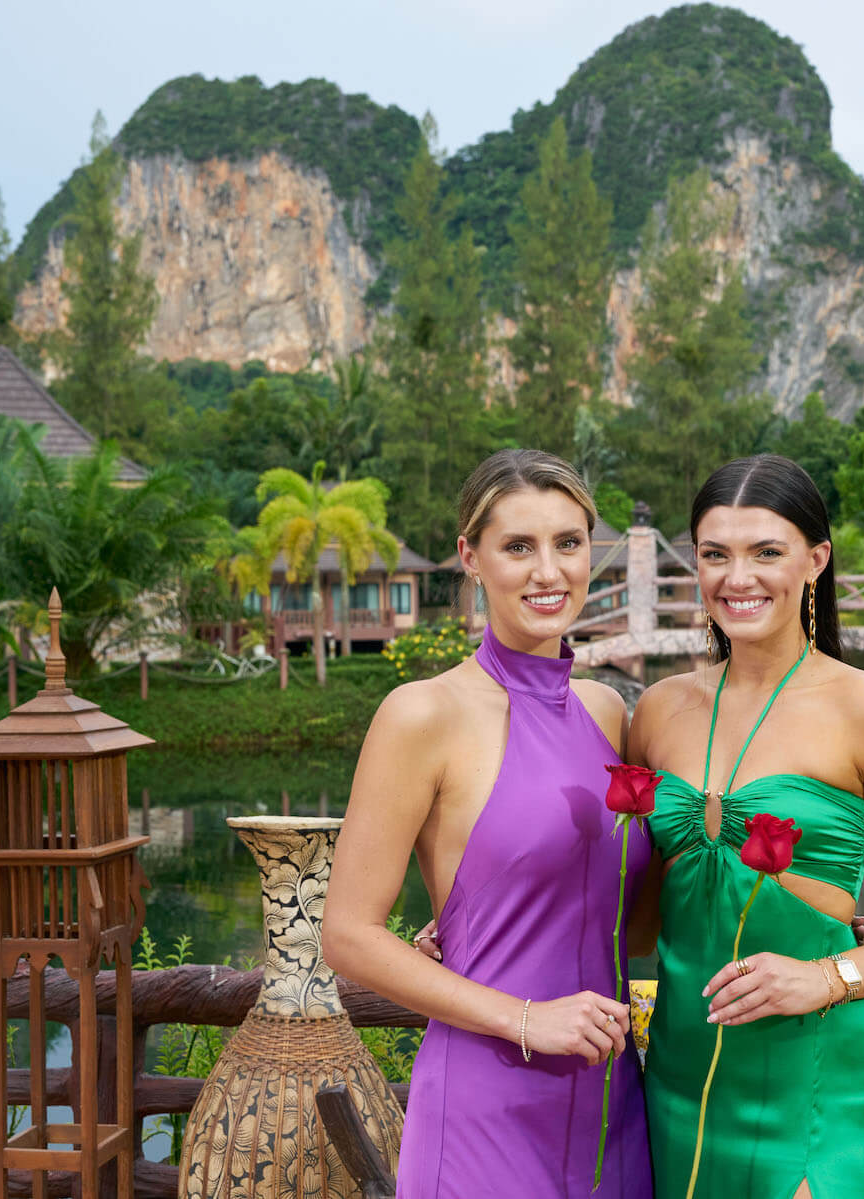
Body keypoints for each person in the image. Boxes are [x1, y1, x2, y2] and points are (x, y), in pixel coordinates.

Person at [629, 454, 864, 1199]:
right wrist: (472, 926)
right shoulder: (658, 710)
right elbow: (640, 908)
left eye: (766, 552)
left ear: (816, 560)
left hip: (814, 1072)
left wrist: (828, 975)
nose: (737, 577)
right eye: (715, 554)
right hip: (679, 1071)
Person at [324, 449, 653, 1198]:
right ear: (471, 557)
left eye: (568, 543)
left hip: (612, 1103)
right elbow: (346, 935)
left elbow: (622, 916)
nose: (549, 571)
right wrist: (526, 1017)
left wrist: (806, 917)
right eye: (518, 547)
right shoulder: (421, 714)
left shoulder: (608, 712)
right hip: (489, 1099)